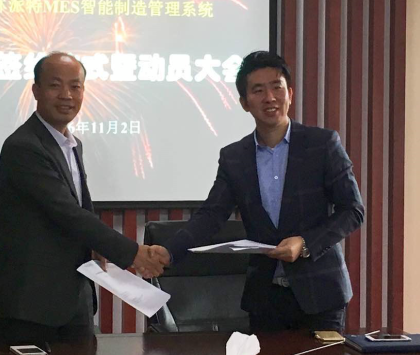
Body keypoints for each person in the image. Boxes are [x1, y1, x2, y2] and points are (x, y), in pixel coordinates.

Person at [153, 51, 364, 333]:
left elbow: (353, 210)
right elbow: (211, 216)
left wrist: (305, 243)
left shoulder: (322, 144)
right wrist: (168, 251)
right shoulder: (234, 157)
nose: (270, 97)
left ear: (290, 93)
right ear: (244, 103)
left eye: (277, 87)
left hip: (321, 295)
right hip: (265, 298)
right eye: (258, 90)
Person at [0, 52, 165, 346]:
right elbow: (66, 213)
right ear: (36, 90)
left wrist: (97, 244)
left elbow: (79, 208)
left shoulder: (72, 144)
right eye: (55, 85)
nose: (66, 95)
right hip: (31, 307)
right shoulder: (24, 146)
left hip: (74, 302)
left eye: (75, 86)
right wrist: (133, 253)